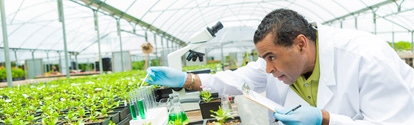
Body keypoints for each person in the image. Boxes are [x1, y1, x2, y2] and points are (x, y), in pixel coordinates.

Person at [146, 8, 414, 124]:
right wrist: (186, 79)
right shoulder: (284, 66)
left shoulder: (365, 58)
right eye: (263, 58)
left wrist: (325, 119)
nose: (267, 69)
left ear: (300, 44)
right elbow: (238, 80)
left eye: (271, 57)